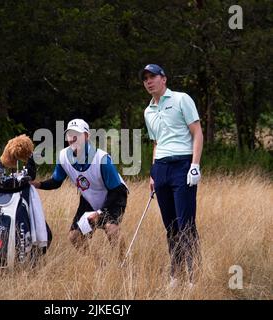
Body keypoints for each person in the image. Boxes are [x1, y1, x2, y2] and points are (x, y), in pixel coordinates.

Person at [140, 64, 203, 286]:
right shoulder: (148, 111)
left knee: (186, 222)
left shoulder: (181, 99)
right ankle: (176, 274)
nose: (149, 81)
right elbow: (157, 142)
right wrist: (152, 173)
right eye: (145, 78)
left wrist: (195, 165)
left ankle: (193, 275)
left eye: (153, 77)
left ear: (163, 79)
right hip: (161, 169)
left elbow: (197, 132)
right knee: (171, 225)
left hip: (182, 165)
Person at [30, 119, 128, 259]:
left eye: (77, 134)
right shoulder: (64, 156)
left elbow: (116, 190)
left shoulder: (102, 159)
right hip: (89, 198)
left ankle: (123, 264)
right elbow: (56, 181)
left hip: (113, 196)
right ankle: (100, 264)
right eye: (69, 134)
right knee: (74, 236)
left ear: (86, 136)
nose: (72, 138)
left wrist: (99, 212)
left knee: (111, 229)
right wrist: (37, 184)